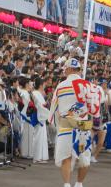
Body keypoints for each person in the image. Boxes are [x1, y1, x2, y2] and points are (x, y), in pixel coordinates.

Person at [49, 58, 100, 187]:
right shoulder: (89, 86)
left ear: (70, 69)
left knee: (66, 156)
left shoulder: (61, 86)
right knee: (84, 158)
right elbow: (95, 109)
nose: (64, 71)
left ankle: (66, 184)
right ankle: (79, 184)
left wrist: (54, 123)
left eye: (65, 69)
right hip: (83, 127)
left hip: (66, 127)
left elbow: (53, 108)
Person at [31, 77, 50, 163]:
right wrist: (46, 109)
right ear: (41, 85)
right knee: (38, 137)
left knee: (42, 137)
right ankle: (36, 158)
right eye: (44, 84)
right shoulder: (35, 93)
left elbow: (42, 105)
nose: (45, 86)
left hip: (42, 116)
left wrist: (46, 104)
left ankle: (42, 157)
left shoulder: (38, 93)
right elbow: (38, 105)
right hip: (38, 116)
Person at [18, 77, 35, 159]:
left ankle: (27, 153)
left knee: (28, 135)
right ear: (26, 84)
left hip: (27, 114)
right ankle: (27, 153)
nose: (30, 85)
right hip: (26, 115)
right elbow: (27, 104)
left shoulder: (26, 93)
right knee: (27, 135)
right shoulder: (24, 93)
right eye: (28, 83)